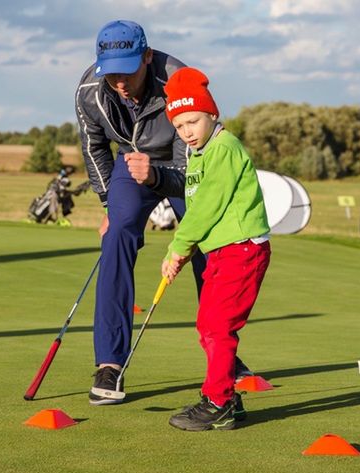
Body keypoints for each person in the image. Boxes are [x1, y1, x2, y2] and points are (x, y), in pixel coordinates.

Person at [75, 20, 212, 405]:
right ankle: (110, 364)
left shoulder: (180, 82)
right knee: (117, 234)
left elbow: (191, 170)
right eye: (111, 70)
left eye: (128, 68)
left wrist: (155, 177)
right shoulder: (89, 92)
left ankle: (223, 358)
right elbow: (95, 148)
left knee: (207, 243)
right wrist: (108, 204)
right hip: (132, 162)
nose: (119, 80)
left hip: (189, 159)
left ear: (148, 57)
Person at [160, 67, 271, 431]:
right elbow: (202, 211)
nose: (187, 131)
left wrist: (179, 246)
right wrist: (188, 248)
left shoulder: (223, 148)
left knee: (218, 325)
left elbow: (208, 204)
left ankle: (218, 402)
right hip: (221, 250)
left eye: (192, 121)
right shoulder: (200, 152)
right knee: (208, 325)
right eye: (179, 126)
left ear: (212, 114)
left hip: (241, 249)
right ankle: (226, 399)